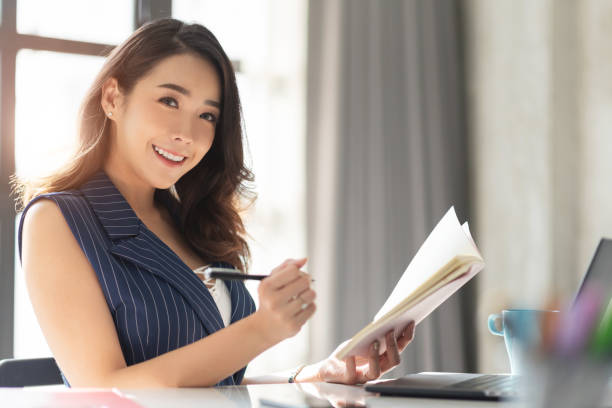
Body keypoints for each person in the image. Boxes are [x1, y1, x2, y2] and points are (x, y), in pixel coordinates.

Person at [14, 18, 415, 388]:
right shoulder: (57, 220)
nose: (187, 134)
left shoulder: (189, 221)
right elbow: (102, 389)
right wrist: (262, 329)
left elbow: (215, 387)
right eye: (170, 101)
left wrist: (318, 374)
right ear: (113, 98)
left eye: (207, 116)